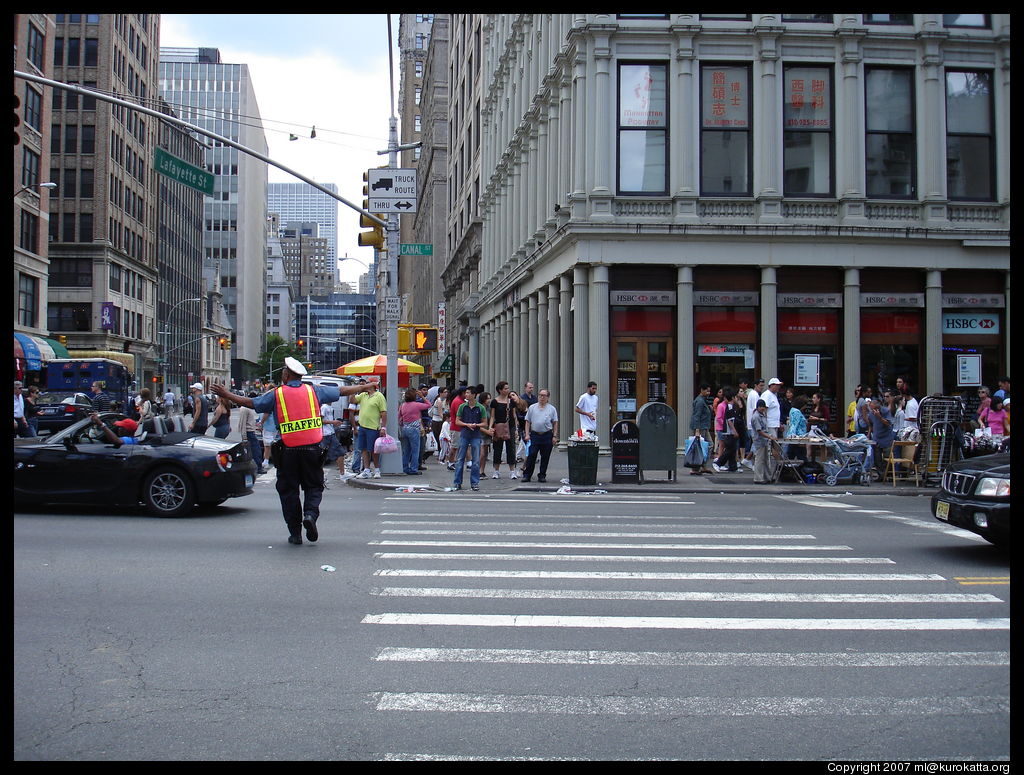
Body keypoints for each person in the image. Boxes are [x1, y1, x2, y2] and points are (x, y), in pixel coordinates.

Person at [212, 358, 364, 545]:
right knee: (314, 486)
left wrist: (227, 394)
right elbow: (341, 391)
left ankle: (295, 533)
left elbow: (251, 403)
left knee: (288, 491)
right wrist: (363, 388)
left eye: (283, 372)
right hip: (312, 449)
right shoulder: (313, 391)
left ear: (286, 375)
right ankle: (310, 515)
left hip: (288, 450)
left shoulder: (277, 394)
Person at [453, 385, 489, 491]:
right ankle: (457, 482)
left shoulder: (480, 407)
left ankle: (474, 482)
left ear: (474, 395)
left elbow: (484, 423)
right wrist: (466, 424)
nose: (466, 394)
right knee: (460, 459)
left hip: (476, 435)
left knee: (476, 460)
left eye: (468, 393)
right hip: (464, 434)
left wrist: (476, 425)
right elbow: (457, 421)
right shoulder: (462, 406)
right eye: (466, 393)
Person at [352, 377, 388, 479]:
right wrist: (355, 390)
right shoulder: (363, 395)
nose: (365, 385)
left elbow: (384, 413)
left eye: (367, 383)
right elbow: (353, 400)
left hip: (373, 427)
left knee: (374, 450)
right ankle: (366, 470)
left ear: (372, 385)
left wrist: (383, 427)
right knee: (363, 449)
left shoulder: (379, 396)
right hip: (362, 426)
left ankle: (377, 469)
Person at [522, 388, 558, 482]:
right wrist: (527, 434)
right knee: (531, 454)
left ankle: (542, 475)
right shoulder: (532, 407)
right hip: (534, 434)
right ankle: (527, 475)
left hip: (546, 435)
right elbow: (527, 421)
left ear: (548, 397)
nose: (541, 397)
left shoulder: (552, 409)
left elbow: (555, 423)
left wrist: (554, 436)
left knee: (545, 456)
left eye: (544, 395)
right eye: (540, 395)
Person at [490, 381, 522, 479]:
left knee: (511, 448)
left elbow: (514, 415)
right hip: (498, 426)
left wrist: (516, 428)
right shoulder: (495, 402)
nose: (507, 390)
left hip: (510, 426)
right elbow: (492, 415)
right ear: (500, 390)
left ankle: (512, 471)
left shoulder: (511, 401)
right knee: (497, 448)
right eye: (505, 388)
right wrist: (490, 427)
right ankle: (496, 470)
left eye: (508, 388)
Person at [398, 387, 430, 475]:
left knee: (406, 450)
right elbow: (428, 405)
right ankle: (413, 468)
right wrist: (422, 397)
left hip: (405, 428)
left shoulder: (403, 405)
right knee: (415, 450)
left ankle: (405, 467)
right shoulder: (416, 405)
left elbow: (399, 417)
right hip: (414, 429)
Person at [712, 388, 740, 472]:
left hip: (728, 429)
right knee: (728, 447)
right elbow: (724, 419)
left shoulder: (730, 406)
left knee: (731, 447)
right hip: (726, 430)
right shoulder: (724, 406)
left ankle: (732, 466)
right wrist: (727, 428)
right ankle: (719, 462)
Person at [866, 396, 895, 476]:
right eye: (871, 408)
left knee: (887, 458)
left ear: (878, 406)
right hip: (876, 438)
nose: (872, 410)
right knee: (877, 458)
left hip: (886, 437)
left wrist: (879, 417)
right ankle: (881, 474)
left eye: (874, 408)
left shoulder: (886, 411)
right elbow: (870, 424)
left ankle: (887, 475)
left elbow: (888, 423)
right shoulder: (871, 414)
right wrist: (868, 434)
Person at [689, 384, 713, 473]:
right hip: (701, 427)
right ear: (702, 390)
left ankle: (702, 465)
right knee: (701, 446)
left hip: (704, 426)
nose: (708, 393)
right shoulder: (700, 401)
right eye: (707, 391)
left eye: (709, 391)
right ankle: (697, 467)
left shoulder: (703, 401)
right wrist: (697, 429)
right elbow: (697, 416)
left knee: (706, 446)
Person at [237, 397, 264, 475]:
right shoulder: (244, 409)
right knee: (255, 450)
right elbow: (243, 424)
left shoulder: (246, 408)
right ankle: (258, 467)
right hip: (249, 432)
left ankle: (257, 467)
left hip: (251, 432)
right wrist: (244, 437)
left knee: (255, 450)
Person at [319, 396, 345, 477]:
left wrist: (334, 423)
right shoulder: (324, 407)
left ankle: (342, 473)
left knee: (339, 452)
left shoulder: (330, 407)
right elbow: (320, 420)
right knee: (322, 455)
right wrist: (333, 422)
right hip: (325, 434)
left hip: (330, 432)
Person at [750, 399, 774, 484]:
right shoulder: (756, 417)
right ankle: (758, 478)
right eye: (761, 407)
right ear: (758, 407)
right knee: (759, 460)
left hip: (765, 440)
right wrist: (769, 436)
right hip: (759, 440)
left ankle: (768, 477)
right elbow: (759, 431)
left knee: (766, 459)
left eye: (764, 407)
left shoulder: (763, 415)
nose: (763, 409)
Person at [784, 395, 808, 460]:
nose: (805, 407)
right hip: (798, 437)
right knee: (801, 455)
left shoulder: (793, 410)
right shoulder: (796, 412)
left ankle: (788, 468)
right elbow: (794, 424)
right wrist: (792, 435)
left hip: (797, 437)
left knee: (791, 455)